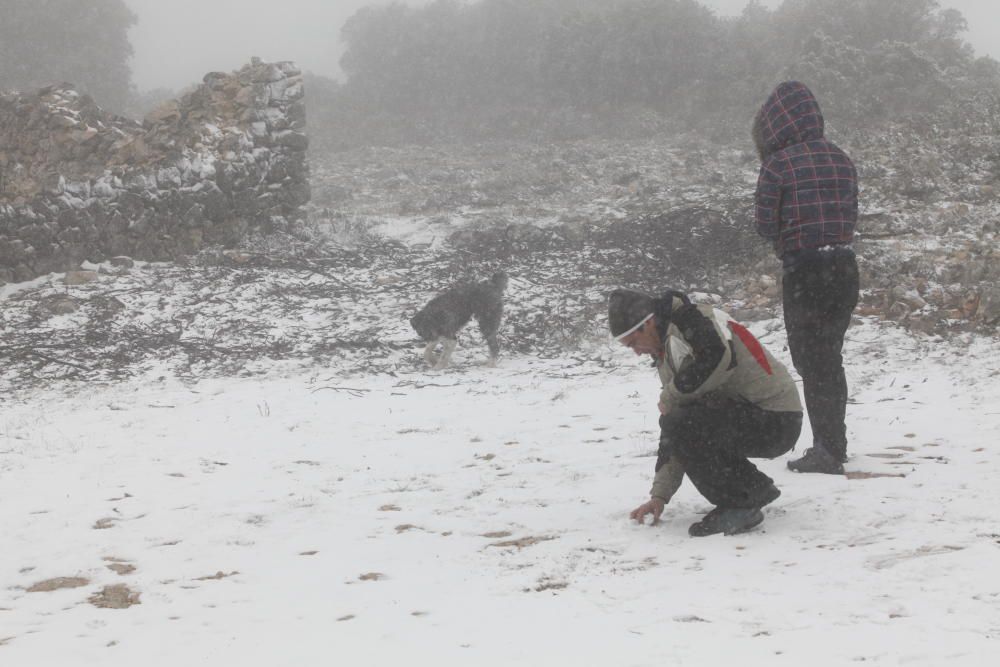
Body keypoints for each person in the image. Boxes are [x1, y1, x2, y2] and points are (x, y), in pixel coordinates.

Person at [609, 288, 803, 536]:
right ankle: (751, 490)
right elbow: (675, 426)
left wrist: (671, 394)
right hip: (758, 418)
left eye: (634, 343)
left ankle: (742, 502)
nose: (636, 352)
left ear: (647, 323)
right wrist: (660, 496)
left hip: (777, 419)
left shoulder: (691, 322)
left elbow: (718, 357)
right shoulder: (669, 343)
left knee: (685, 422)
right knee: (682, 422)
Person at [752, 81, 860, 475]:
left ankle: (828, 451)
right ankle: (834, 443)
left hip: (806, 271)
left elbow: (765, 225)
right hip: (845, 267)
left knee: (813, 363)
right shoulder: (841, 158)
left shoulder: (778, 165)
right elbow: (851, 212)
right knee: (829, 358)